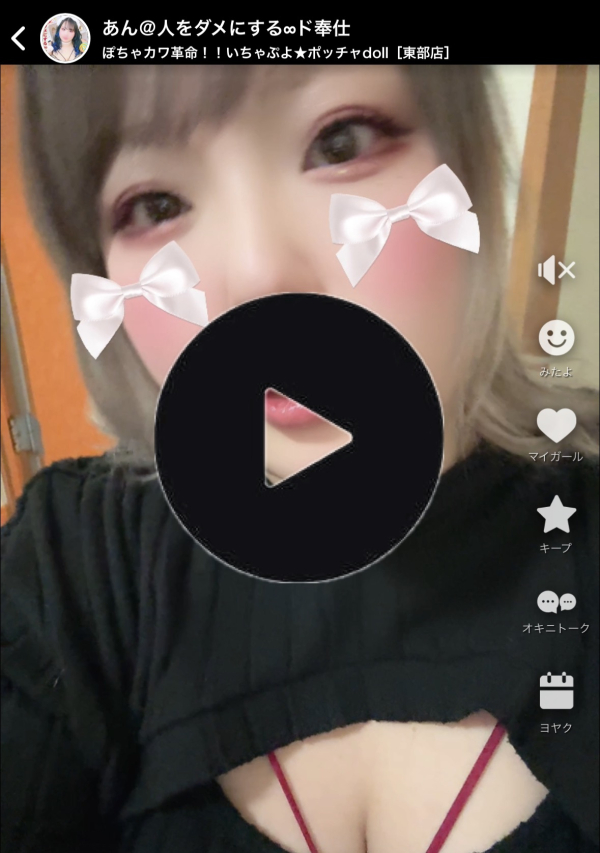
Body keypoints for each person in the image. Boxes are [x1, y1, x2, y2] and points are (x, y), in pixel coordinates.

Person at [2, 65, 598, 853]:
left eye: (340, 142)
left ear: (468, 161)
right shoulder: (73, 568)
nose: (257, 278)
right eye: (156, 206)